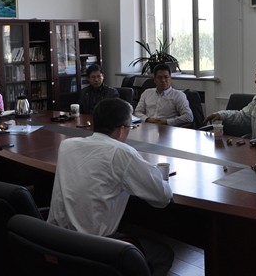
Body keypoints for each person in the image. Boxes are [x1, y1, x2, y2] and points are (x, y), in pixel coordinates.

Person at [48, 98, 174, 276]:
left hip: (57, 240)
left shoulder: (67, 145)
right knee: (164, 254)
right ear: (122, 129)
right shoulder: (121, 152)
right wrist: (157, 174)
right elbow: (162, 197)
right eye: (130, 127)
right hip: (95, 248)